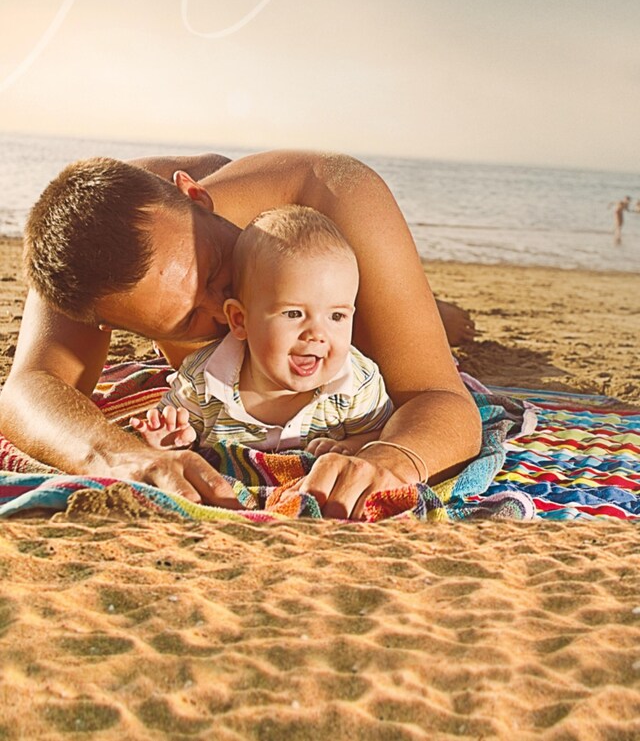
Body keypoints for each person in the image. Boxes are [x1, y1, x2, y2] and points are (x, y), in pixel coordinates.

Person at [0, 150, 482, 519]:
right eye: (190, 320)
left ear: (195, 198)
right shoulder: (89, 257)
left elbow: (438, 395)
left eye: (215, 269)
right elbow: (28, 389)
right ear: (112, 327)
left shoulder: (334, 192)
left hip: (320, 250)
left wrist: (391, 459)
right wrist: (118, 456)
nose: (227, 309)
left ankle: (430, 310)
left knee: (432, 328)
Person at [132, 205, 399, 465]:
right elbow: (174, 437)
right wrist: (171, 440)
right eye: (294, 314)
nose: (317, 334)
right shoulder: (203, 382)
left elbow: (383, 436)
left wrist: (348, 448)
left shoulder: (356, 383)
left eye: (337, 316)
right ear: (240, 320)